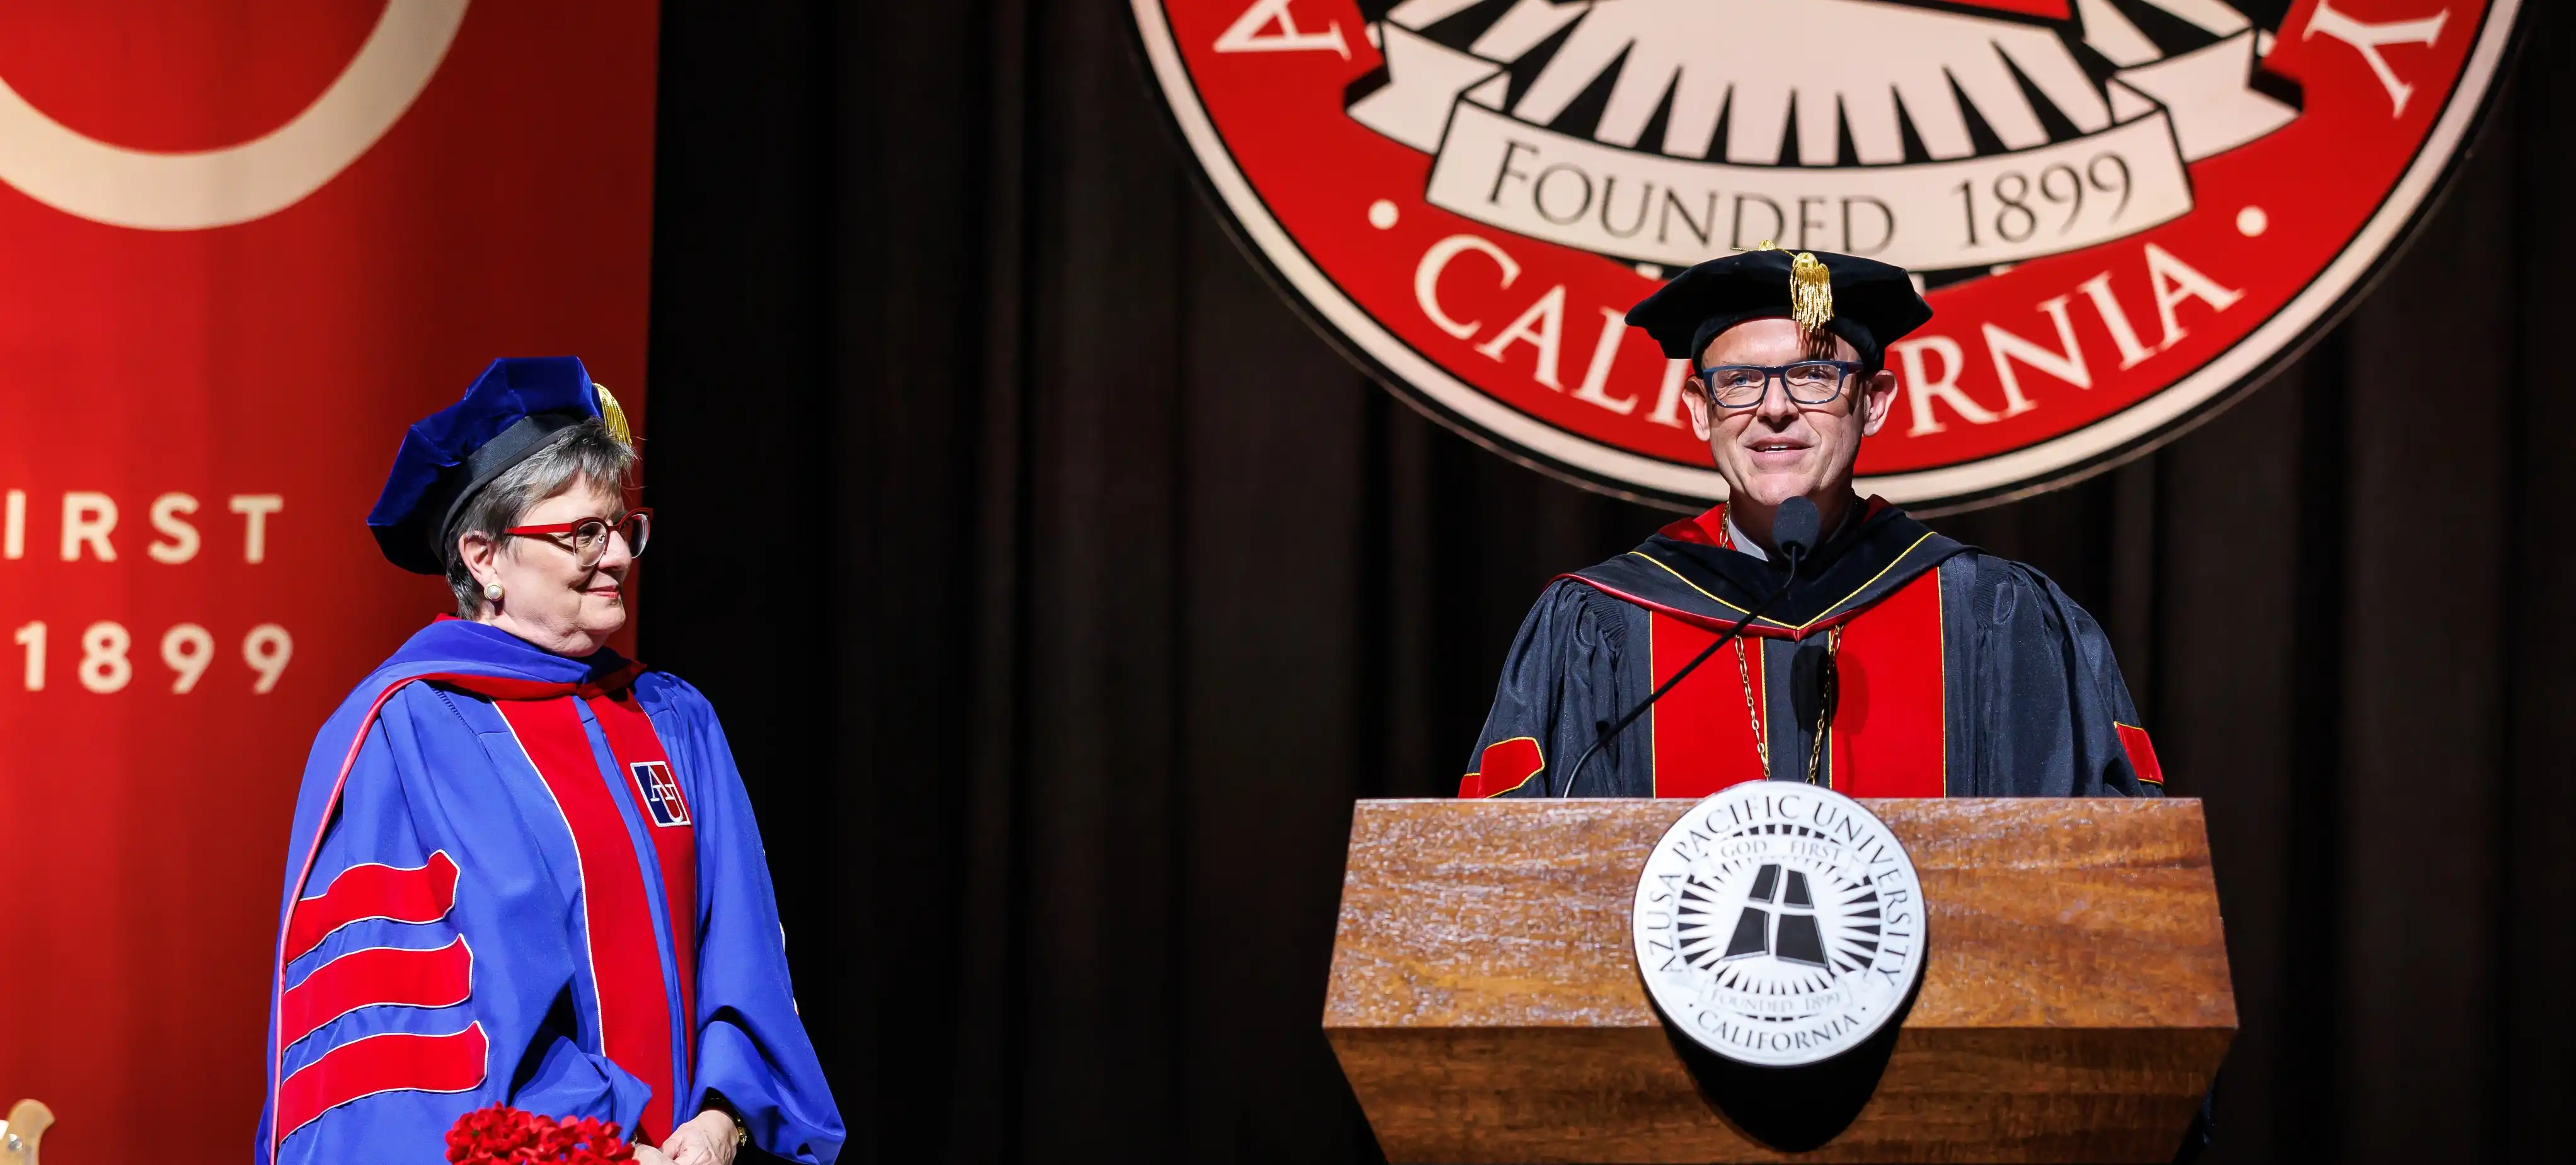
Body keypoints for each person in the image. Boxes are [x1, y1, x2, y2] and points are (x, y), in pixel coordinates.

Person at [257, 358, 843, 1164]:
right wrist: (589, 1140)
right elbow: (414, 1019)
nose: (614, 558)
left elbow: (739, 942)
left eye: (621, 528)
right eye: (580, 534)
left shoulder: (672, 720)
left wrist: (718, 1117)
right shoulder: (411, 730)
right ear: (484, 557)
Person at [1460, 248, 2164, 800]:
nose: (1774, 410)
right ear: (1700, 410)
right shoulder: (1601, 626)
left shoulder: (1992, 616)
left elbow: (2091, 875)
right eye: (1739, 381)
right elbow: (1507, 881)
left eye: (1812, 377)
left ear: (1875, 402)